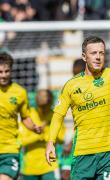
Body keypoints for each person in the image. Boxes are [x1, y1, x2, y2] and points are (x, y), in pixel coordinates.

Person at [46, 5, 110, 180]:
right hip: (83, 155)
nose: (98, 57)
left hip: (109, 154)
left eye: (101, 53)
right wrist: (51, 142)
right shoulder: (71, 85)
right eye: (93, 53)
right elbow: (58, 115)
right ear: (84, 56)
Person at [0, 52, 42, 180]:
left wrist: (33, 127)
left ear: (11, 70)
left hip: (10, 148)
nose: (4, 75)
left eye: (7, 71)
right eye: (0, 72)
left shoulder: (20, 92)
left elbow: (25, 117)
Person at [19, 89, 67, 180]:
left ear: (51, 102)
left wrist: (46, 134)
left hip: (50, 166)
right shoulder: (28, 116)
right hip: (29, 167)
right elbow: (21, 141)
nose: (44, 109)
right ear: (37, 103)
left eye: (46, 106)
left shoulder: (55, 116)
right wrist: (38, 135)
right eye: (42, 106)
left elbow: (61, 139)